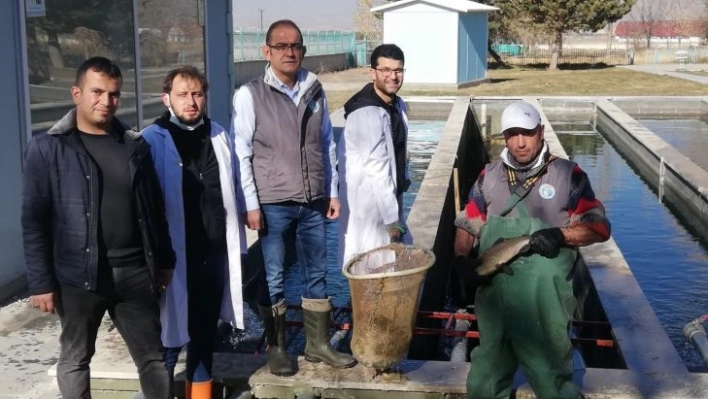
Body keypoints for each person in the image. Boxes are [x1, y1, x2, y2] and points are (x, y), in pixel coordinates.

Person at [21, 56, 174, 399]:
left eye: (114, 94)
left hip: (135, 272)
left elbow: (153, 209)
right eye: (97, 92)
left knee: (153, 358)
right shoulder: (47, 148)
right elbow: (34, 221)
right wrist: (41, 282)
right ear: (77, 93)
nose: (106, 101)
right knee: (76, 359)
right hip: (78, 278)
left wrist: (165, 259)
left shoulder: (136, 145)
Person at [453, 101, 611, 398]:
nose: (520, 142)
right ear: (504, 138)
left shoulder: (568, 175)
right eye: (512, 134)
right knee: (484, 381)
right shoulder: (488, 176)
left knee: (552, 379)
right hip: (495, 291)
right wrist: (461, 259)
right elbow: (468, 222)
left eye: (526, 133)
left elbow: (598, 226)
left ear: (540, 132)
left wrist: (561, 234)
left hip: (544, 298)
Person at [231, 19, 356, 376]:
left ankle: (318, 345)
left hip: (313, 201)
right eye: (281, 46)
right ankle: (278, 347)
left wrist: (332, 191)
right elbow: (242, 151)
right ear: (266, 51)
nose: (290, 52)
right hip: (273, 202)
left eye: (296, 46)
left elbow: (328, 143)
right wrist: (250, 204)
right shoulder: (250, 94)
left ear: (303, 50)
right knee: (273, 276)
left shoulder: (315, 89)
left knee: (317, 272)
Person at [142, 66, 247, 397]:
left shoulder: (219, 135)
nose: (191, 101)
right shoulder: (151, 140)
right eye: (182, 94)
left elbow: (233, 189)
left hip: (213, 253)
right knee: (167, 339)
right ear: (166, 98)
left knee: (204, 335)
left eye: (197, 94)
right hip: (171, 259)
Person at [337, 43, 412, 269]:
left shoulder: (397, 105)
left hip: (390, 198)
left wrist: (404, 177)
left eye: (398, 70)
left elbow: (399, 152)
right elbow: (377, 169)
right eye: (386, 70)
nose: (393, 76)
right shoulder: (366, 113)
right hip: (369, 206)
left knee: (387, 268)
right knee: (369, 268)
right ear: (373, 73)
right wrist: (391, 220)